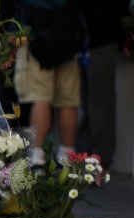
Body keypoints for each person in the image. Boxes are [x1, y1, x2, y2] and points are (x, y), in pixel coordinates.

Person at [13, 0, 85, 166]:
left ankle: (37, 157)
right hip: (69, 33)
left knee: (40, 97)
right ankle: (67, 157)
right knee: (68, 101)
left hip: (35, 33)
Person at [76, 2, 130, 169]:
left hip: (99, 35)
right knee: (85, 101)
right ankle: (84, 156)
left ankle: (98, 158)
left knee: (98, 100)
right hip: (84, 36)